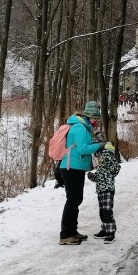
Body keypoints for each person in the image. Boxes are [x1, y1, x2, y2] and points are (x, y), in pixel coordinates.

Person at [58, 102, 105, 245]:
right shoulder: (79, 128)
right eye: (96, 119)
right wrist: (100, 145)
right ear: (89, 117)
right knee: (73, 200)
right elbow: (83, 149)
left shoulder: (84, 128)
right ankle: (66, 234)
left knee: (76, 200)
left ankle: (72, 231)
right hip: (71, 168)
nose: (97, 122)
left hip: (76, 168)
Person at [88, 141, 120, 243]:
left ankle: (111, 233)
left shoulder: (111, 162)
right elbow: (98, 177)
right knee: (102, 212)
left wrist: (104, 151)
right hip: (101, 190)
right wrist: (92, 176)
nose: (99, 156)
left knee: (107, 212)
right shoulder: (102, 165)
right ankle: (105, 230)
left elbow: (114, 166)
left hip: (108, 190)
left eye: (101, 154)